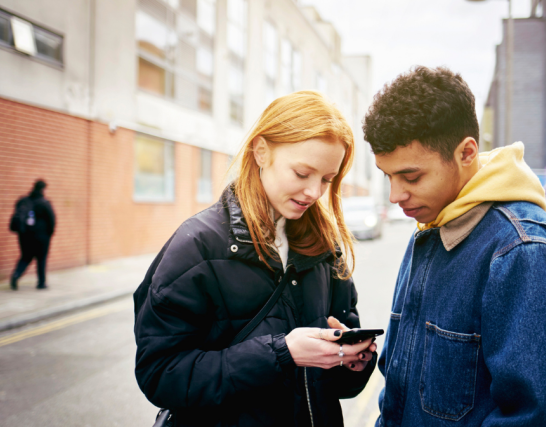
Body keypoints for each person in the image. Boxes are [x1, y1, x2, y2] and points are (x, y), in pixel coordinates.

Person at [133, 91, 378, 427]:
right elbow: (160, 375)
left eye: (326, 180)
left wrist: (352, 361)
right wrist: (281, 353)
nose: (314, 193)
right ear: (261, 151)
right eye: (302, 173)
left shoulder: (324, 247)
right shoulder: (198, 245)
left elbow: (334, 385)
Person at [362, 66, 546, 426]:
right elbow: (397, 385)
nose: (396, 195)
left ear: (466, 153)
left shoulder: (520, 249)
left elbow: (528, 415)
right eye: (388, 176)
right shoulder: (431, 223)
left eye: (411, 177)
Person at [9, 179, 56, 290]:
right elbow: (52, 220)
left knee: (25, 257)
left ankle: (16, 275)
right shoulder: (44, 203)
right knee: (41, 258)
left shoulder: (24, 201)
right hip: (42, 236)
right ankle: (41, 283)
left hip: (25, 235)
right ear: (43, 189)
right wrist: (50, 233)